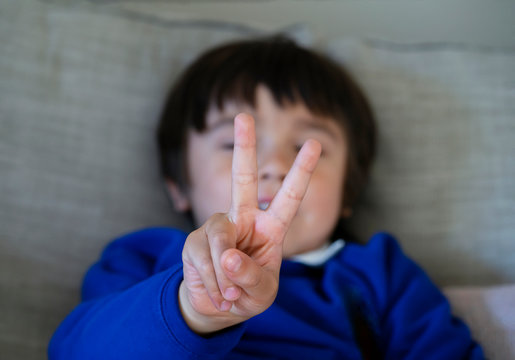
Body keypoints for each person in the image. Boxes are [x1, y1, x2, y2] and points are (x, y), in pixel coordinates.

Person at [48, 36, 483, 359]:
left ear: (348, 191)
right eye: (234, 146)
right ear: (178, 185)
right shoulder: (146, 258)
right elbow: (74, 351)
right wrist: (196, 310)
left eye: (306, 149)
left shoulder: (382, 276)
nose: (273, 165)